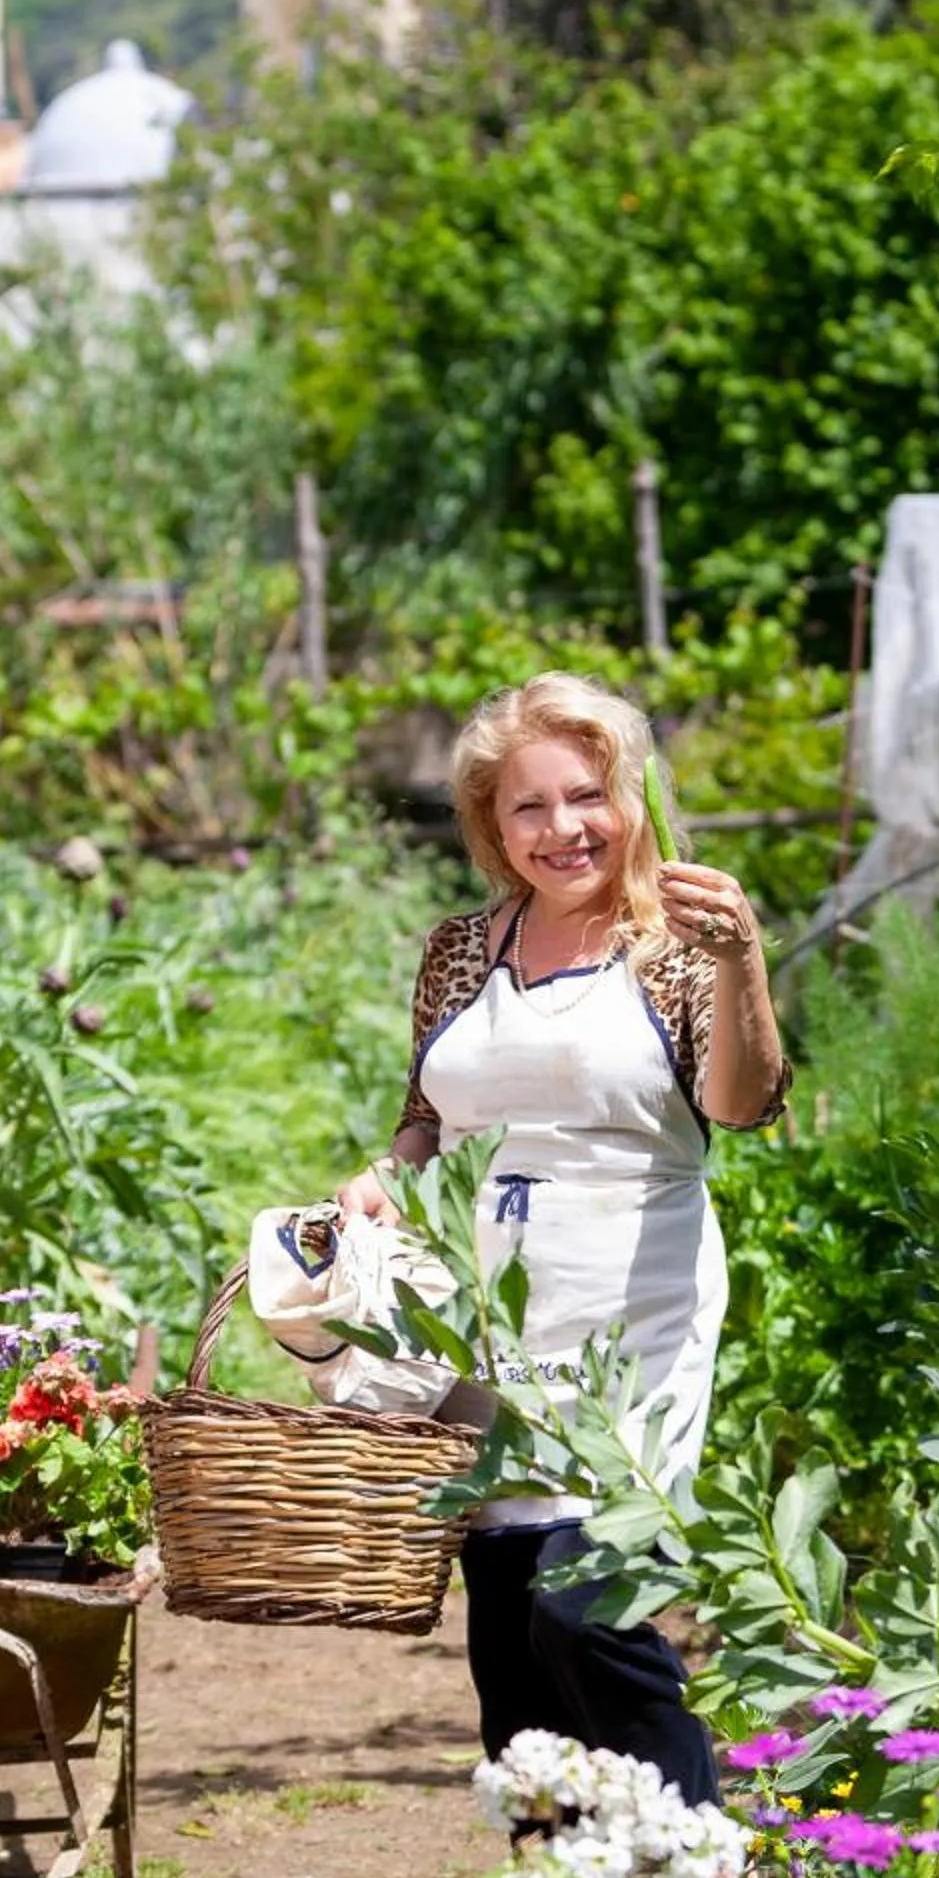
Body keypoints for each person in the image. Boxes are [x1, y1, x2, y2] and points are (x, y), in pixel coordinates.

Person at [339, 672, 788, 1806]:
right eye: (527, 806)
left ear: (629, 799)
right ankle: (558, 1876)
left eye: (586, 796)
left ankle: (696, 1852)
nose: (562, 829)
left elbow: (741, 1106)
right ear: (491, 825)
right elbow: (428, 1117)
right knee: (508, 1626)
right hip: (484, 1311)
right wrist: (386, 1173)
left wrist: (742, 963)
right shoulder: (460, 947)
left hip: (630, 1304)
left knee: (587, 1603)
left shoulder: (678, 946)